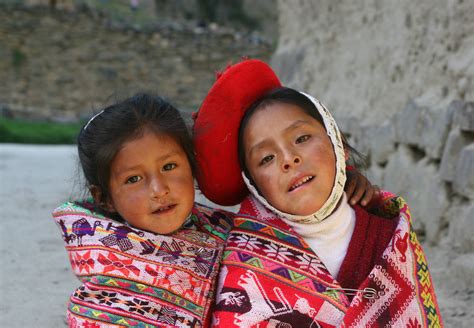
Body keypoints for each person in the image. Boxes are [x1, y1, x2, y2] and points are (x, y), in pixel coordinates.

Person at [193, 60, 443, 327]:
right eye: (266, 158)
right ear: (254, 185)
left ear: (337, 144)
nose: (288, 159)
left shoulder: (390, 239)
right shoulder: (244, 263)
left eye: (301, 139)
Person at [52, 94, 235, 327]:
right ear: (104, 198)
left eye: (169, 166)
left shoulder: (231, 235)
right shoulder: (108, 290)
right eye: (134, 178)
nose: (159, 190)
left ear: (192, 165)